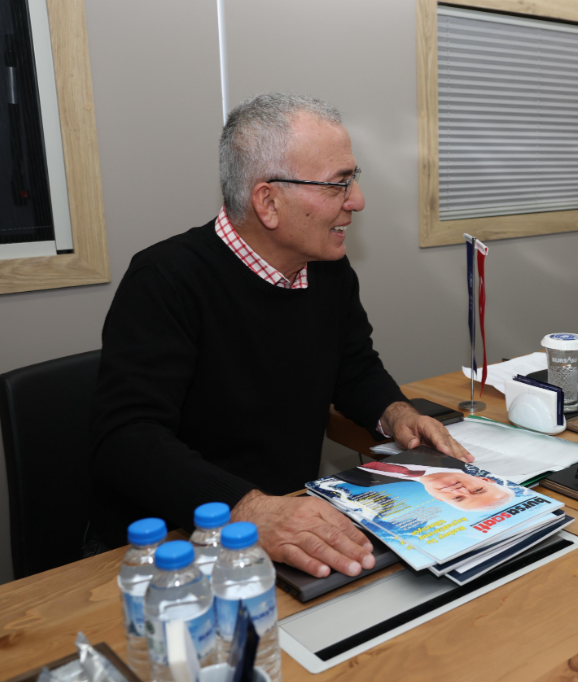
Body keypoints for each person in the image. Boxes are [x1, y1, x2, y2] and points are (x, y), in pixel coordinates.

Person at [89, 93, 471, 579]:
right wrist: (249, 509)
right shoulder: (165, 280)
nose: (357, 201)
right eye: (338, 184)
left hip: (295, 524)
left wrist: (396, 413)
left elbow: (353, 367)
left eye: (353, 179)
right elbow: (126, 440)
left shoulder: (327, 270)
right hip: (176, 545)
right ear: (268, 201)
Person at [338, 459, 516, 512]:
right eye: (477, 490)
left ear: (437, 498)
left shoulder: (361, 480)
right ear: (485, 480)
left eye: (458, 498)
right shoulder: (446, 451)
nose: (460, 490)